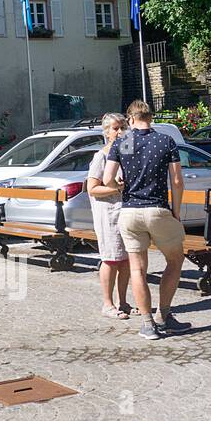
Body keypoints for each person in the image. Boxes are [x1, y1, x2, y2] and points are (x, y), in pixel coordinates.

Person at [103, 100, 188, 340]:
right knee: (175, 259)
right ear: (150, 117)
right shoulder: (165, 141)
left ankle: (148, 324)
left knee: (138, 268)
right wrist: (176, 211)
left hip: (129, 212)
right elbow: (178, 181)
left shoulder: (124, 142)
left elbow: (108, 178)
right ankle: (165, 314)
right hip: (157, 210)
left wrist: (118, 186)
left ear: (130, 119)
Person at [86, 113, 132, 320]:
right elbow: (92, 189)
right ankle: (108, 303)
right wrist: (115, 189)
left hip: (128, 212)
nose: (120, 131)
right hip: (108, 214)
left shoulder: (128, 154)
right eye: (115, 128)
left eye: (123, 126)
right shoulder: (101, 156)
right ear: (107, 132)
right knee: (111, 258)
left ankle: (124, 301)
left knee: (126, 260)